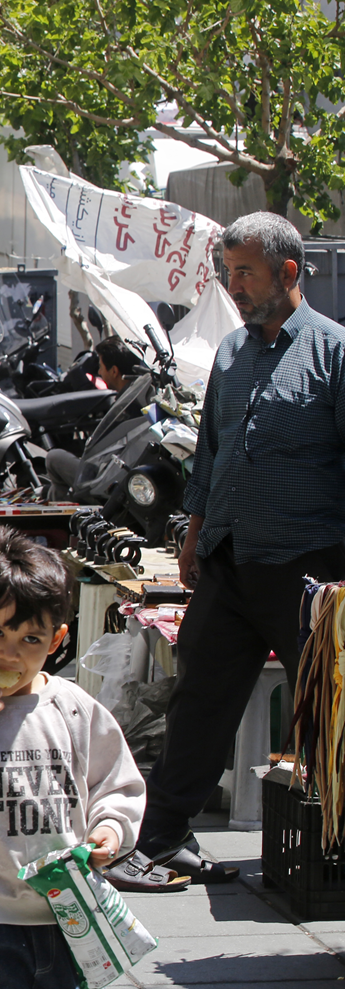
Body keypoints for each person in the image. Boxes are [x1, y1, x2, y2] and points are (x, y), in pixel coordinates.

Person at [115, 211, 345, 890]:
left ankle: (333, 846)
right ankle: (161, 838)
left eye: (244, 272)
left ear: (289, 272)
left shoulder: (332, 352)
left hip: (308, 570)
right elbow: (209, 456)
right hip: (227, 560)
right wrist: (193, 535)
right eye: (227, 272)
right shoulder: (234, 354)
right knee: (200, 702)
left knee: (329, 713)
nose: (233, 286)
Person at [0, 527, 150, 988]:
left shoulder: (74, 708)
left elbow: (116, 782)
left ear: (56, 641)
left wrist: (109, 831)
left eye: (30, 640)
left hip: (71, 912)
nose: (9, 654)